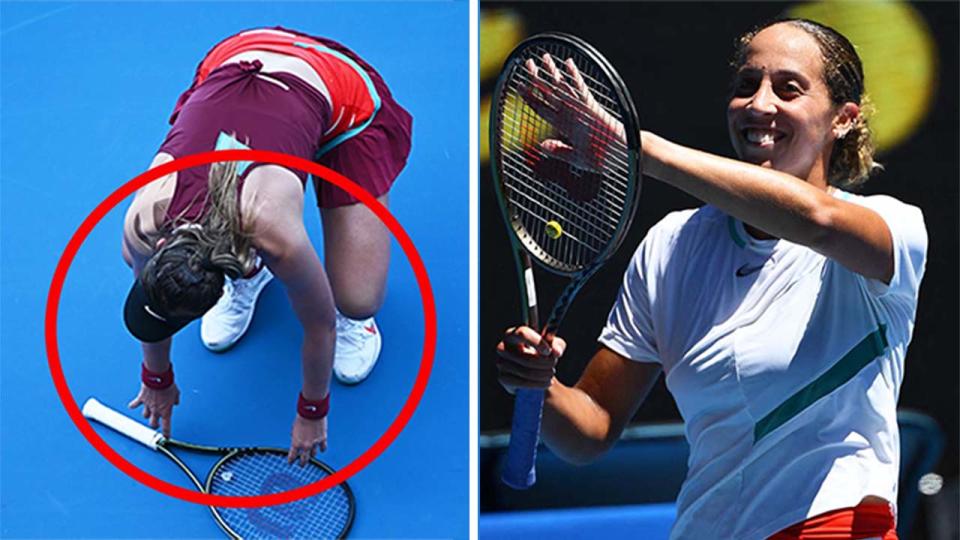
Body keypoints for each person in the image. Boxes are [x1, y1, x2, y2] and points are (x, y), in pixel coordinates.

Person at [496, 18, 925, 540]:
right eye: (747, 85)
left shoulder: (892, 230)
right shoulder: (672, 247)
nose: (759, 104)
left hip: (830, 526)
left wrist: (633, 149)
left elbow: (817, 219)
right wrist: (543, 389)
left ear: (842, 119)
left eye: (788, 89)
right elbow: (592, 429)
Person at [121, 27, 412, 465]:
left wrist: (312, 412)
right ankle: (250, 277)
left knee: (356, 299)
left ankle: (349, 316)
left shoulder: (275, 234)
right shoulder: (142, 224)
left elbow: (319, 327)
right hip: (239, 61)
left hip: (335, 90)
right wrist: (156, 377)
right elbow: (154, 312)